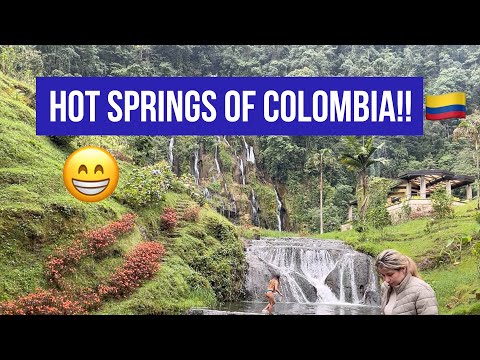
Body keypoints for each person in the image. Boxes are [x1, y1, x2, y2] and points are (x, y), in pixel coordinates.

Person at [375, 249, 438, 315]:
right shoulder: (385, 287)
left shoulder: (422, 290)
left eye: (390, 274)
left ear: (403, 269)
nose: (386, 280)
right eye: (383, 275)